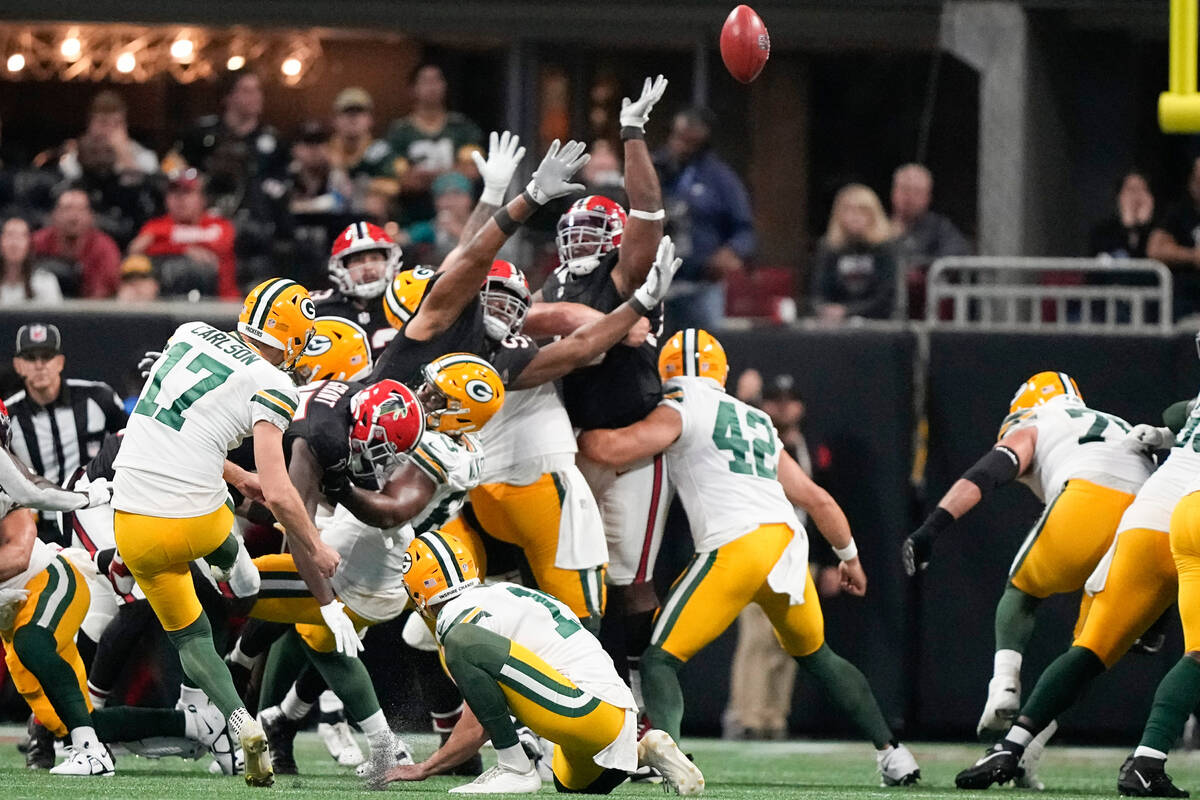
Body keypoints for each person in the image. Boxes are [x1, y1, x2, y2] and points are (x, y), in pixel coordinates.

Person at [577, 328, 921, 785]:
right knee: (819, 656)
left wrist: (568, 430)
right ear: (722, 371)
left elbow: (611, 449)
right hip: (786, 547)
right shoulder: (757, 421)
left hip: (734, 545)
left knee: (659, 660)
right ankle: (894, 755)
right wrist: (849, 557)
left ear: (666, 369)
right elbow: (816, 498)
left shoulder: (681, 406)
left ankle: (668, 759)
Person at [110, 277, 348, 786]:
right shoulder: (274, 383)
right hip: (198, 523)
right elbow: (282, 492)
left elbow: (183, 428)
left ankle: (239, 722)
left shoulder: (189, 331)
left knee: (190, 639)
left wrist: (237, 474)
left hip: (130, 523)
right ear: (296, 335)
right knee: (224, 534)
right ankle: (237, 566)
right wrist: (317, 545)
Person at [903, 372, 1153, 787]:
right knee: (1084, 656)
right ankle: (1027, 752)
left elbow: (987, 473)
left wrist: (931, 528)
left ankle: (1004, 684)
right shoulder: (1120, 423)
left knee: (1021, 591)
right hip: (1146, 521)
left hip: (1089, 498)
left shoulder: (1038, 421)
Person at [952, 409, 1188, 792]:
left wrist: (1165, 434)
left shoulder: (1043, 423)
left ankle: (1009, 747)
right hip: (1180, 511)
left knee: (1089, 649)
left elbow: (1178, 413)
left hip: (1146, 518)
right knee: (1195, 655)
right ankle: (1149, 758)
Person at [0, 400, 235, 776]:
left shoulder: (175, 440)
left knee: (41, 644)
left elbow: (23, 536)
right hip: (89, 536)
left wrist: (87, 501)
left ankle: (93, 747)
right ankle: (194, 725)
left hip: (55, 566)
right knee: (71, 716)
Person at [384, 530, 706, 795]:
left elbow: (476, 724)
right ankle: (640, 754)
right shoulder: (503, 593)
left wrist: (425, 767)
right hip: (610, 717)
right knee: (571, 786)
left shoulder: (457, 616)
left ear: (418, 593)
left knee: (461, 644)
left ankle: (515, 768)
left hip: (583, 709)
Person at [653, 106, 756, 332]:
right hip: (654, 285)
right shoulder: (655, 169)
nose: (680, 144)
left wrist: (731, 252)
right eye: (677, 136)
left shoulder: (721, 178)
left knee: (706, 353)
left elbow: (745, 229)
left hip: (701, 284)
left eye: (689, 137)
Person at [5, 323, 127, 491]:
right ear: (18, 365)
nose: (39, 365)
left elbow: (130, 440)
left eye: (47, 356)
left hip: (93, 509)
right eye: (30, 358)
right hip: (36, 513)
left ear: (60, 362)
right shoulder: (7, 416)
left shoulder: (99, 397)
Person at [386, 64, 484, 225]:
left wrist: (426, 175)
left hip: (458, 219)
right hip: (412, 216)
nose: (432, 87)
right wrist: (451, 171)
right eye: (425, 81)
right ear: (412, 88)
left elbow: (472, 170)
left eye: (437, 80)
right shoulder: (399, 132)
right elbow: (401, 181)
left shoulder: (462, 127)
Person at [128, 168, 238, 299]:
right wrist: (183, 249)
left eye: (187, 192)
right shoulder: (156, 225)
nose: (180, 199)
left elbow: (220, 246)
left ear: (203, 198)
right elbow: (135, 249)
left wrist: (162, 242)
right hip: (168, 300)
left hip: (221, 302)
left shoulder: (219, 225)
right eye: (174, 192)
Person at [888, 164, 970, 317]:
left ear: (928, 197)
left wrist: (920, 269)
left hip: (922, 310)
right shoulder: (877, 227)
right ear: (894, 192)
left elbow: (956, 253)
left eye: (917, 191)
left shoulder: (940, 227)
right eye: (905, 189)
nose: (909, 197)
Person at [810, 184, 897, 323]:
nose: (855, 217)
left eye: (862, 211)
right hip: (834, 324)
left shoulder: (886, 248)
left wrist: (848, 311)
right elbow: (818, 292)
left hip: (877, 324)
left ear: (873, 215)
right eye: (849, 211)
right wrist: (825, 309)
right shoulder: (829, 247)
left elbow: (886, 297)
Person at [30, 188, 121, 298]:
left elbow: (103, 295)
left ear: (91, 216)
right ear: (54, 214)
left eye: (80, 210)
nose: (74, 217)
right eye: (67, 209)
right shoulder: (36, 242)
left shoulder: (104, 248)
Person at [328, 87, 398, 221]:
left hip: (368, 218)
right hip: (331, 217)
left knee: (375, 204)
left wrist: (364, 186)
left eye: (359, 113)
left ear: (370, 119)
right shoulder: (325, 151)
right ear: (335, 120)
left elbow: (395, 186)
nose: (353, 119)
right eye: (347, 113)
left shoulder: (381, 152)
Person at [58, 90, 159, 181]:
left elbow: (145, 184)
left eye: (117, 124)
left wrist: (125, 156)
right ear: (90, 124)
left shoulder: (145, 156)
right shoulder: (72, 158)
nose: (109, 130)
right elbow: (71, 175)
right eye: (103, 123)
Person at [1147, 157, 1200, 320]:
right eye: (1198, 180)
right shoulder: (1179, 213)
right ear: (1192, 183)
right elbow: (1155, 249)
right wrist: (1193, 256)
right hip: (1187, 299)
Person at [1090, 171, 1155, 261]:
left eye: (1142, 189)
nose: (1136, 196)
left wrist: (1143, 226)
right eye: (1131, 190)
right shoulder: (1103, 231)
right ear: (1119, 196)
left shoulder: (1157, 231)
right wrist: (1127, 225)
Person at [1, 217, 62, 305]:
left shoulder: (45, 281)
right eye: (9, 235)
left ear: (29, 244)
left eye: (20, 237)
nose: (14, 243)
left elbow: (55, 317)